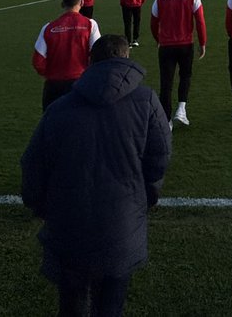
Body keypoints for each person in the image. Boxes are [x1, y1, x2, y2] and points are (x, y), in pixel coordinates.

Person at [21, 34, 172, 317]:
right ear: (126, 59)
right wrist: (147, 196)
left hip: (70, 225)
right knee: (110, 306)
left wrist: (40, 206)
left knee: (72, 305)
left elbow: (33, 165)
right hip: (122, 223)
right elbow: (160, 157)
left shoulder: (59, 109)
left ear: (90, 61)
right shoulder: (147, 100)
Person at [149, 0, 207, 127]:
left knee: (166, 82)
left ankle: (166, 120)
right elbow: (200, 21)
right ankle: (181, 109)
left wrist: (158, 38)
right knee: (185, 76)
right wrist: (202, 43)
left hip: (166, 45)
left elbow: (153, 21)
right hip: (185, 44)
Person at [33, 0, 101, 111]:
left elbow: (38, 60)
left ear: (63, 4)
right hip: (80, 82)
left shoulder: (48, 27)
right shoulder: (90, 24)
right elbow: (98, 54)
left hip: (54, 85)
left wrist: (52, 73)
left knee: (52, 124)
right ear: (81, 3)